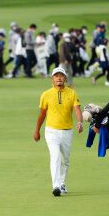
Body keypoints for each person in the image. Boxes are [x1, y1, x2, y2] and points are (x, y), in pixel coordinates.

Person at [33, 67, 83, 197]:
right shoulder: (46, 94)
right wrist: (37, 130)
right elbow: (42, 114)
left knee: (65, 160)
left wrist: (80, 122)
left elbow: (77, 109)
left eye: (61, 76)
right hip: (52, 131)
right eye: (56, 76)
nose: (59, 78)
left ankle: (61, 183)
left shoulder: (72, 93)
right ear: (52, 79)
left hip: (67, 131)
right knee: (55, 157)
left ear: (65, 78)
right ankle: (55, 186)